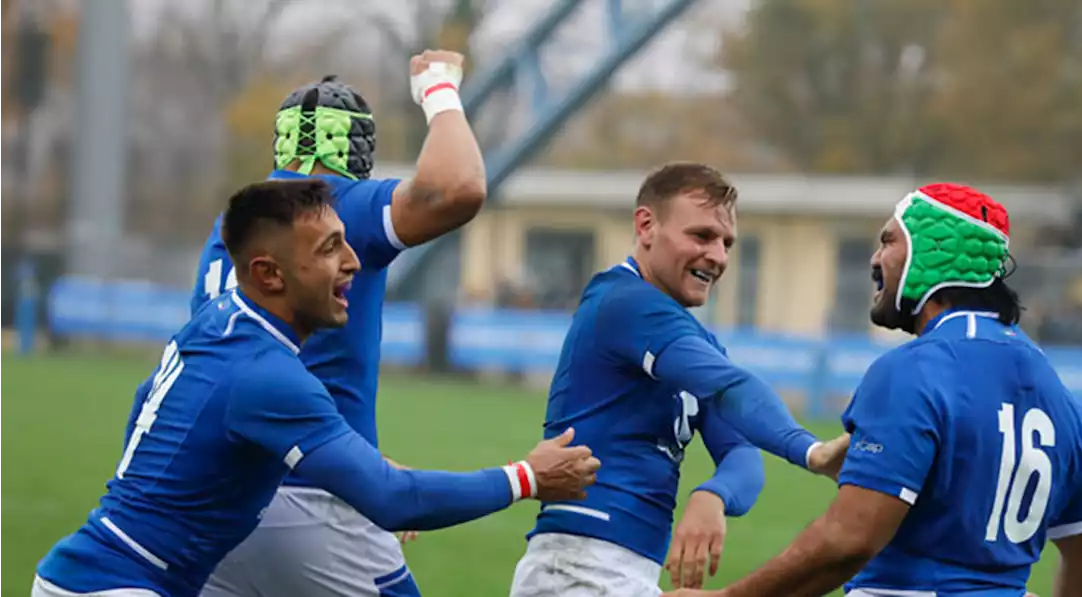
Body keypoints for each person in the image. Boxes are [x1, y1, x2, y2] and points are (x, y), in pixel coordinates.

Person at [32, 180, 599, 597]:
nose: (354, 262)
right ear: (270, 274)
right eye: (329, 249)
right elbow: (393, 500)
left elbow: (147, 408)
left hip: (94, 575)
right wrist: (529, 477)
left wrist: (345, 462)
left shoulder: (219, 322)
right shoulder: (268, 374)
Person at [664, 183, 1082, 597]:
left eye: (888, 241)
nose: (874, 259)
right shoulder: (1059, 395)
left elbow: (850, 540)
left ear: (932, 253)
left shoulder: (914, 370)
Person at [193, 50, 488, 597]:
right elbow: (458, 187)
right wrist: (439, 90)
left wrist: (357, 456)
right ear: (358, 146)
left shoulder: (231, 227)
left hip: (217, 501)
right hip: (311, 500)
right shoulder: (334, 207)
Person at [509, 162, 850, 597]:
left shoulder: (693, 340)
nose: (719, 256)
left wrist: (714, 495)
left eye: (727, 243)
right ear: (646, 225)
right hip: (579, 566)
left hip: (619, 569)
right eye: (702, 236)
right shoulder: (624, 301)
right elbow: (733, 388)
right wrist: (811, 451)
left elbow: (742, 454)